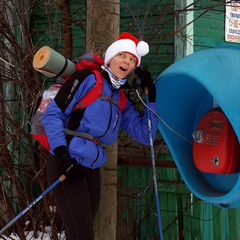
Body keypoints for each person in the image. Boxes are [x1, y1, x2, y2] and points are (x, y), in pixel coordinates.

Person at [42, 32, 158, 240]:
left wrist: (151, 95)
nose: (127, 61)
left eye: (132, 60)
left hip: (91, 167)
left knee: (80, 233)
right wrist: (61, 153)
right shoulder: (87, 79)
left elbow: (146, 135)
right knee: (82, 235)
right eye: (122, 55)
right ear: (111, 57)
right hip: (67, 160)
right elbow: (53, 115)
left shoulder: (120, 99)